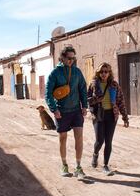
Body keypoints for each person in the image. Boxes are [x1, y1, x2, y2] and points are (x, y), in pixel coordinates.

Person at [46, 46, 88, 179]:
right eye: (69, 58)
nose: (71, 61)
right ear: (62, 58)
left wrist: (84, 106)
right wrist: (54, 109)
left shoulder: (77, 72)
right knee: (63, 138)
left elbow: (82, 89)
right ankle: (64, 165)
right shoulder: (55, 73)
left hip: (76, 110)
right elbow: (48, 93)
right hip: (62, 111)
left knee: (79, 137)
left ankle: (78, 167)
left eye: (73, 58)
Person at [88, 62, 129, 176]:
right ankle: (95, 154)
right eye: (101, 72)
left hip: (112, 115)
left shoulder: (114, 85)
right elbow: (87, 100)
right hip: (98, 115)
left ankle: (105, 165)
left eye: (106, 72)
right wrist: (96, 99)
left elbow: (120, 101)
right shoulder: (93, 84)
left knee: (108, 141)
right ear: (98, 73)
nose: (104, 74)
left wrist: (125, 117)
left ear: (109, 73)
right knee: (99, 140)